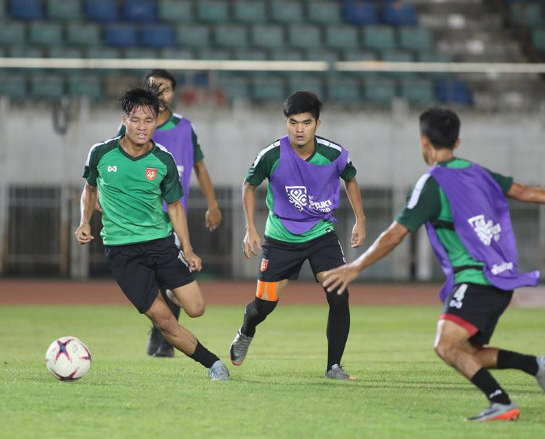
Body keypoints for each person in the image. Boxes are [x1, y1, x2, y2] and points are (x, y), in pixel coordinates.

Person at [323, 107, 545, 420]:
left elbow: (395, 235)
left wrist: (355, 266)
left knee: (446, 346)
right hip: (499, 279)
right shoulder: (478, 172)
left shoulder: (432, 183)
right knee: (467, 352)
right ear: (458, 141)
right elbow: (524, 191)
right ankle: (536, 366)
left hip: (476, 278)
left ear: (424, 141)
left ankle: (502, 402)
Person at [75, 84, 229, 381]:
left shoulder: (163, 160)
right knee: (164, 321)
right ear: (124, 120)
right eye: (135, 119)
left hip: (160, 245)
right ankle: (213, 364)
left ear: (157, 122)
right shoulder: (101, 153)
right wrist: (84, 221)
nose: (142, 126)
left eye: (149, 120)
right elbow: (89, 189)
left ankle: (169, 288)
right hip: (122, 252)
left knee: (196, 309)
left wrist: (188, 248)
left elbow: (174, 207)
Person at [228, 91, 367, 380]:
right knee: (263, 305)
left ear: (318, 124)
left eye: (306, 122)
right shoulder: (272, 155)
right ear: (285, 123)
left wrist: (360, 220)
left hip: (321, 234)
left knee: (339, 295)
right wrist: (250, 228)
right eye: (293, 123)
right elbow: (248, 185)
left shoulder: (335, 153)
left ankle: (334, 367)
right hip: (280, 238)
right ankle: (246, 330)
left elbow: (350, 179)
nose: (299, 129)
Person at [116, 69, 222, 358]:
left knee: (170, 277)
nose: (159, 92)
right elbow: (112, 164)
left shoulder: (185, 128)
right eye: (153, 87)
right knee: (156, 279)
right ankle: (161, 333)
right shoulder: (134, 126)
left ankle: (163, 338)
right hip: (138, 219)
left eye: (164, 88)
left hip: (173, 215)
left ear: (174, 92)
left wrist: (212, 205)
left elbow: (199, 166)